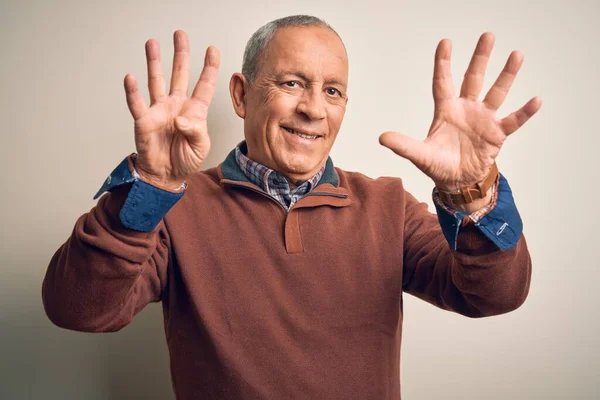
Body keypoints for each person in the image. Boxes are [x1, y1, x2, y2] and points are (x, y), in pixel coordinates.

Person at [42, 15, 541, 400]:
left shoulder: (389, 207)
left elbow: (493, 295)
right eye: (292, 83)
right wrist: (150, 184)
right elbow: (78, 309)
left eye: (332, 91)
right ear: (240, 95)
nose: (314, 109)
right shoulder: (175, 210)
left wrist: (472, 192)